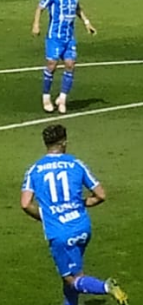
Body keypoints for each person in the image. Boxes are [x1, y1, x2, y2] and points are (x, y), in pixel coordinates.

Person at [20, 124, 129, 305]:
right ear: (63, 142)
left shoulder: (34, 170)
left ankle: (106, 287)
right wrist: (78, 205)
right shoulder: (76, 164)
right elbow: (100, 195)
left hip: (60, 234)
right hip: (82, 226)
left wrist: (47, 216)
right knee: (73, 273)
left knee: (71, 279)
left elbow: (25, 204)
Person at [32, 0, 97, 114]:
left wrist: (87, 23)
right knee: (51, 65)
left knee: (70, 64)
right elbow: (40, 7)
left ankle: (62, 99)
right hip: (55, 37)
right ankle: (46, 98)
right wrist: (36, 24)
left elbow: (78, 9)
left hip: (69, 38)